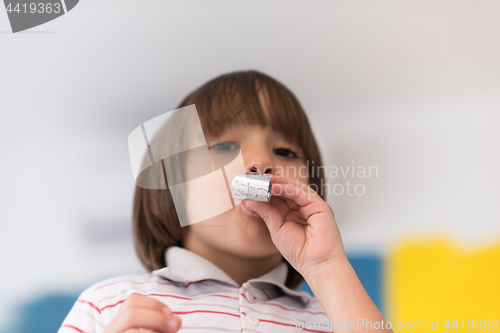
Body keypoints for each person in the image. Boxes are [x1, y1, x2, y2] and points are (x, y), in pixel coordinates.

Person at [58, 70, 392, 333]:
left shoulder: (336, 317)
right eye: (222, 147)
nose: (261, 162)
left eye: (285, 152)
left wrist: (326, 266)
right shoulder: (108, 305)